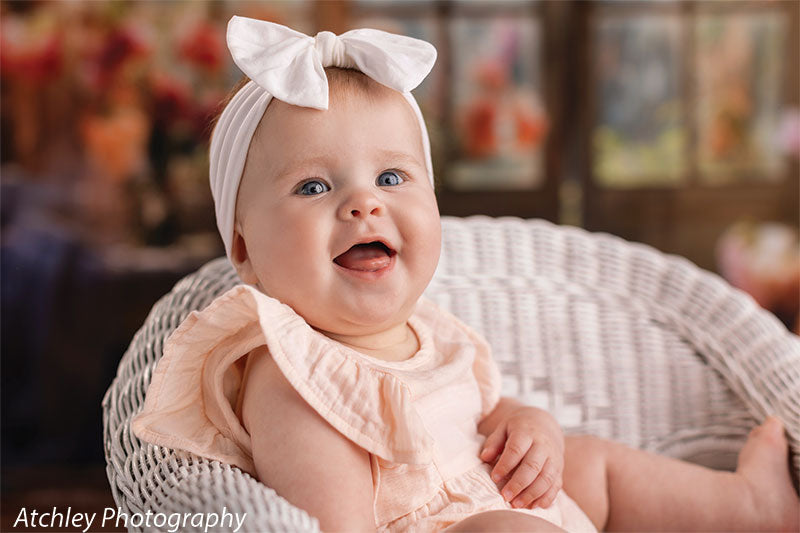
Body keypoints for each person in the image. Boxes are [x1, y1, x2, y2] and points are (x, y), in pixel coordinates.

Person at [132, 16, 800, 532]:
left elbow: (478, 415)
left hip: (518, 503)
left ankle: (747, 506)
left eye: (391, 176)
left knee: (590, 460)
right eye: (312, 186)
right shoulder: (294, 372)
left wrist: (526, 423)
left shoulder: (430, 328)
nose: (364, 203)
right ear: (243, 249)